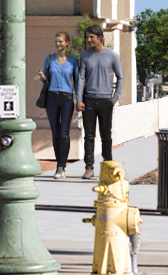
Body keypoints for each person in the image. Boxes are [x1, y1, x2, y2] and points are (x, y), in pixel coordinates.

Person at [77, 27, 122, 177]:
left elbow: (120, 77)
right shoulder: (85, 55)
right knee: (89, 136)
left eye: (91, 37)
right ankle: (89, 167)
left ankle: (108, 165)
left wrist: (115, 98)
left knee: (106, 135)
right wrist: (79, 99)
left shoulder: (112, 55)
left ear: (100, 37)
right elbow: (81, 78)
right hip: (88, 100)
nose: (89, 40)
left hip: (105, 101)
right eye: (87, 37)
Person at [39, 30, 80, 175]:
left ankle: (62, 166)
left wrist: (79, 99)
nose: (58, 44)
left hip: (66, 98)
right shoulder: (49, 58)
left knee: (64, 133)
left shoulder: (73, 60)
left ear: (67, 43)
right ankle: (59, 164)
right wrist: (42, 77)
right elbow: (45, 79)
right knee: (55, 133)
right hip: (51, 97)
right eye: (56, 41)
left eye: (61, 41)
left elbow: (77, 81)